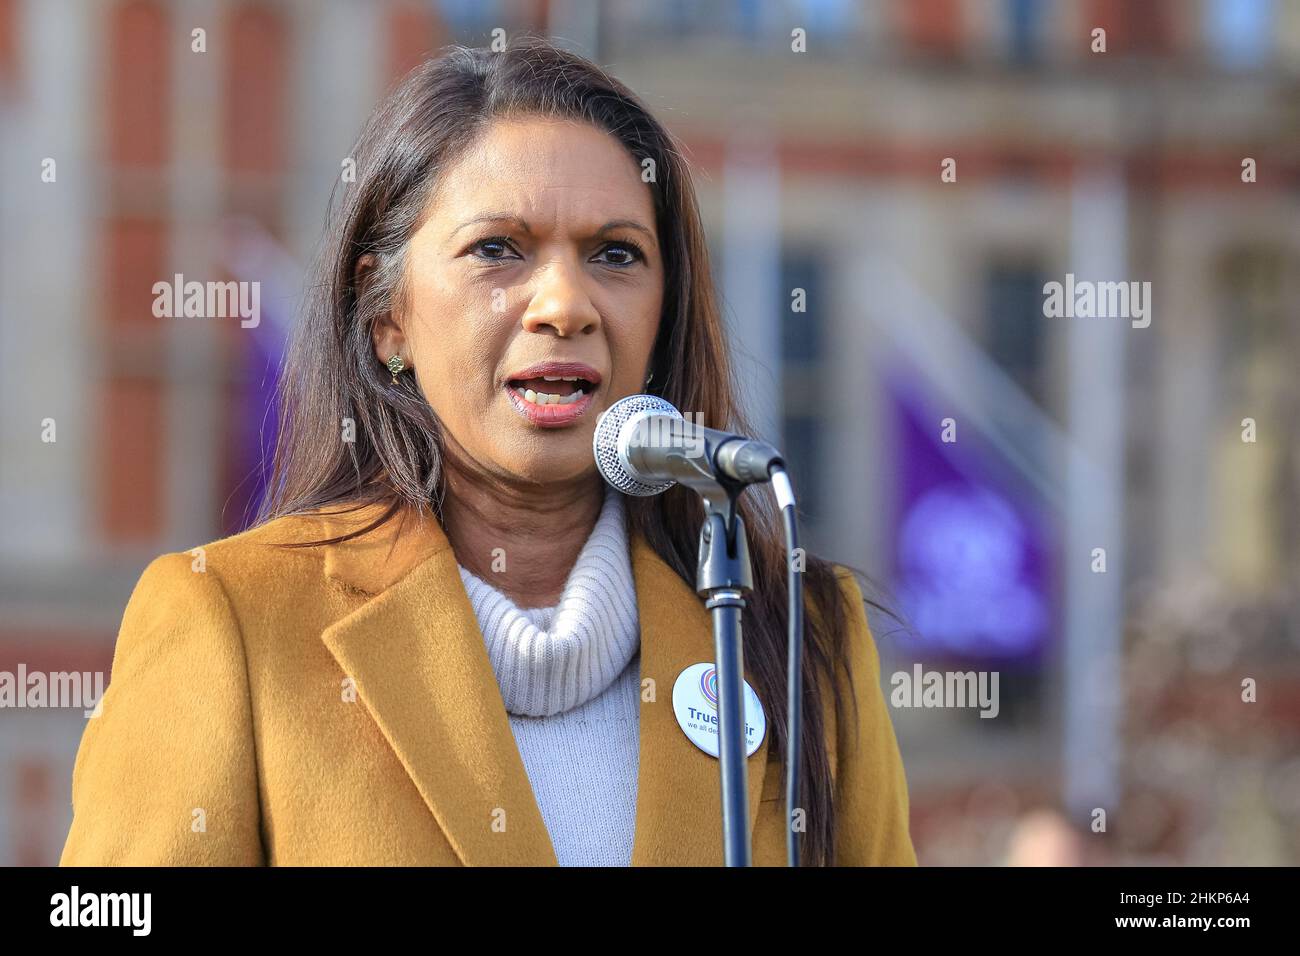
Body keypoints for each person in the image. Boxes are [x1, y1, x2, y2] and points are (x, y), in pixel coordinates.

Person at [60, 37, 915, 867]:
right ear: (387, 315)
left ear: (663, 319)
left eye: (616, 255)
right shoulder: (231, 624)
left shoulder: (796, 634)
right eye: (497, 250)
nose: (564, 305)